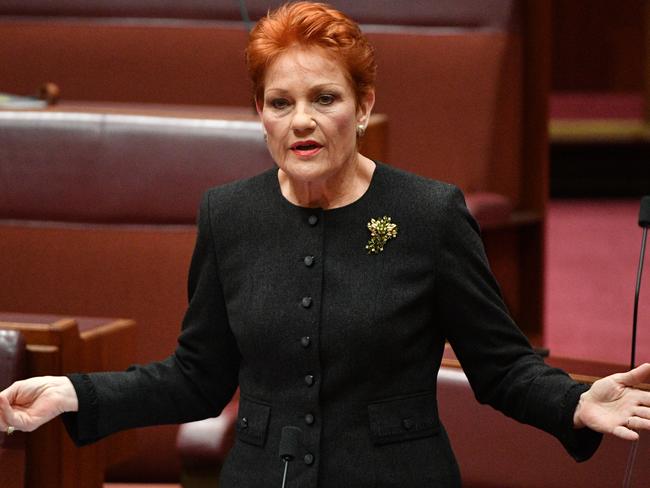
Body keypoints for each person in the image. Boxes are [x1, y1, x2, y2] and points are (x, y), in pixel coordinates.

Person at [1, 2, 650, 486]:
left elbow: (500, 365)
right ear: (259, 114)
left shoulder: (428, 214)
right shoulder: (229, 215)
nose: (301, 120)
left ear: (363, 106)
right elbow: (198, 378)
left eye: (324, 98)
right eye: (280, 103)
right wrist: (75, 393)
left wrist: (575, 400)